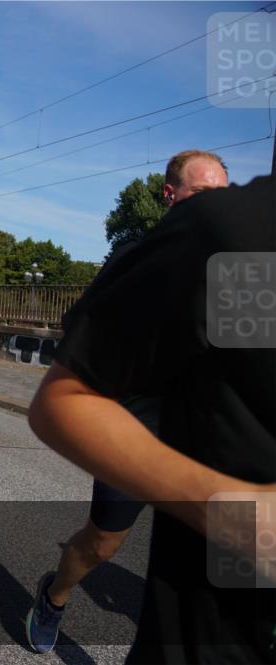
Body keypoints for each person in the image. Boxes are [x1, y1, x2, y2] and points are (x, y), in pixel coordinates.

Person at [29, 173, 275, 664]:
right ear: (172, 195)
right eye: (206, 190)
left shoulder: (242, 253)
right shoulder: (151, 253)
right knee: (103, 545)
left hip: (204, 438)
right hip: (136, 430)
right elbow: (76, 356)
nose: (220, 198)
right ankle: (54, 595)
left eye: (224, 187)